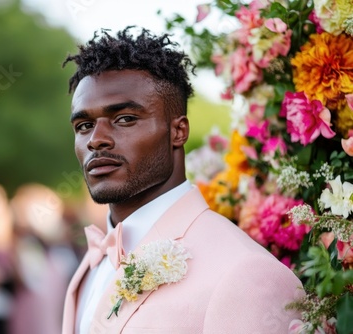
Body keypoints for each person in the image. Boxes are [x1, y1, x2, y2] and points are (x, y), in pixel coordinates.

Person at [61, 27, 304, 334]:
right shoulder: (90, 266)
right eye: (84, 125)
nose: (96, 140)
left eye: (124, 119)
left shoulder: (247, 274)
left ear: (178, 131)